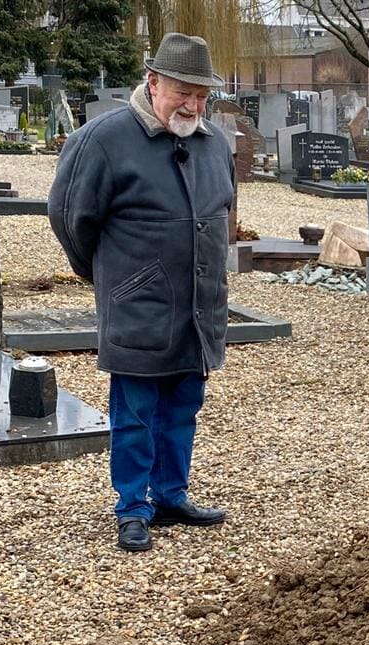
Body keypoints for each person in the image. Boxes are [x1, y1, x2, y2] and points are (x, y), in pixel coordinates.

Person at [49, 33, 234, 552]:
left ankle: (171, 494)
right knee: (134, 413)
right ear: (152, 83)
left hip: (199, 304)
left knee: (183, 406)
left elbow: (222, 214)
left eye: (201, 95)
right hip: (138, 304)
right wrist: (114, 279)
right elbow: (70, 219)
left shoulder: (214, 143)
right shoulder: (104, 139)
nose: (193, 105)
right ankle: (133, 506)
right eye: (182, 92)